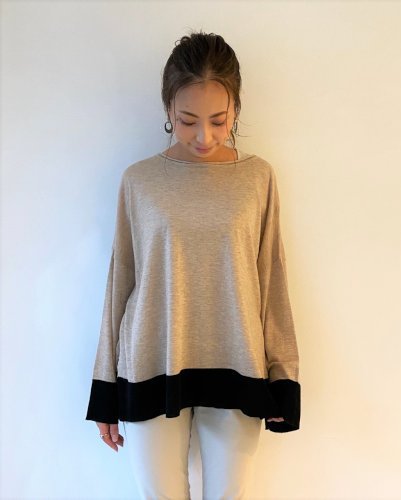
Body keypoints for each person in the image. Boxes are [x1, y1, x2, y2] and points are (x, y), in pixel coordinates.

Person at [85, 29, 301, 499]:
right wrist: (104, 388)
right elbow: (120, 282)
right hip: (150, 361)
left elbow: (271, 279)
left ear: (236, 108)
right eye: (187, 121)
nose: (204, 136)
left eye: (219, 120)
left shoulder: (257, 178)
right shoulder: (140, 181)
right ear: (168, 109)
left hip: (238, 361)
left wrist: (283, 376)